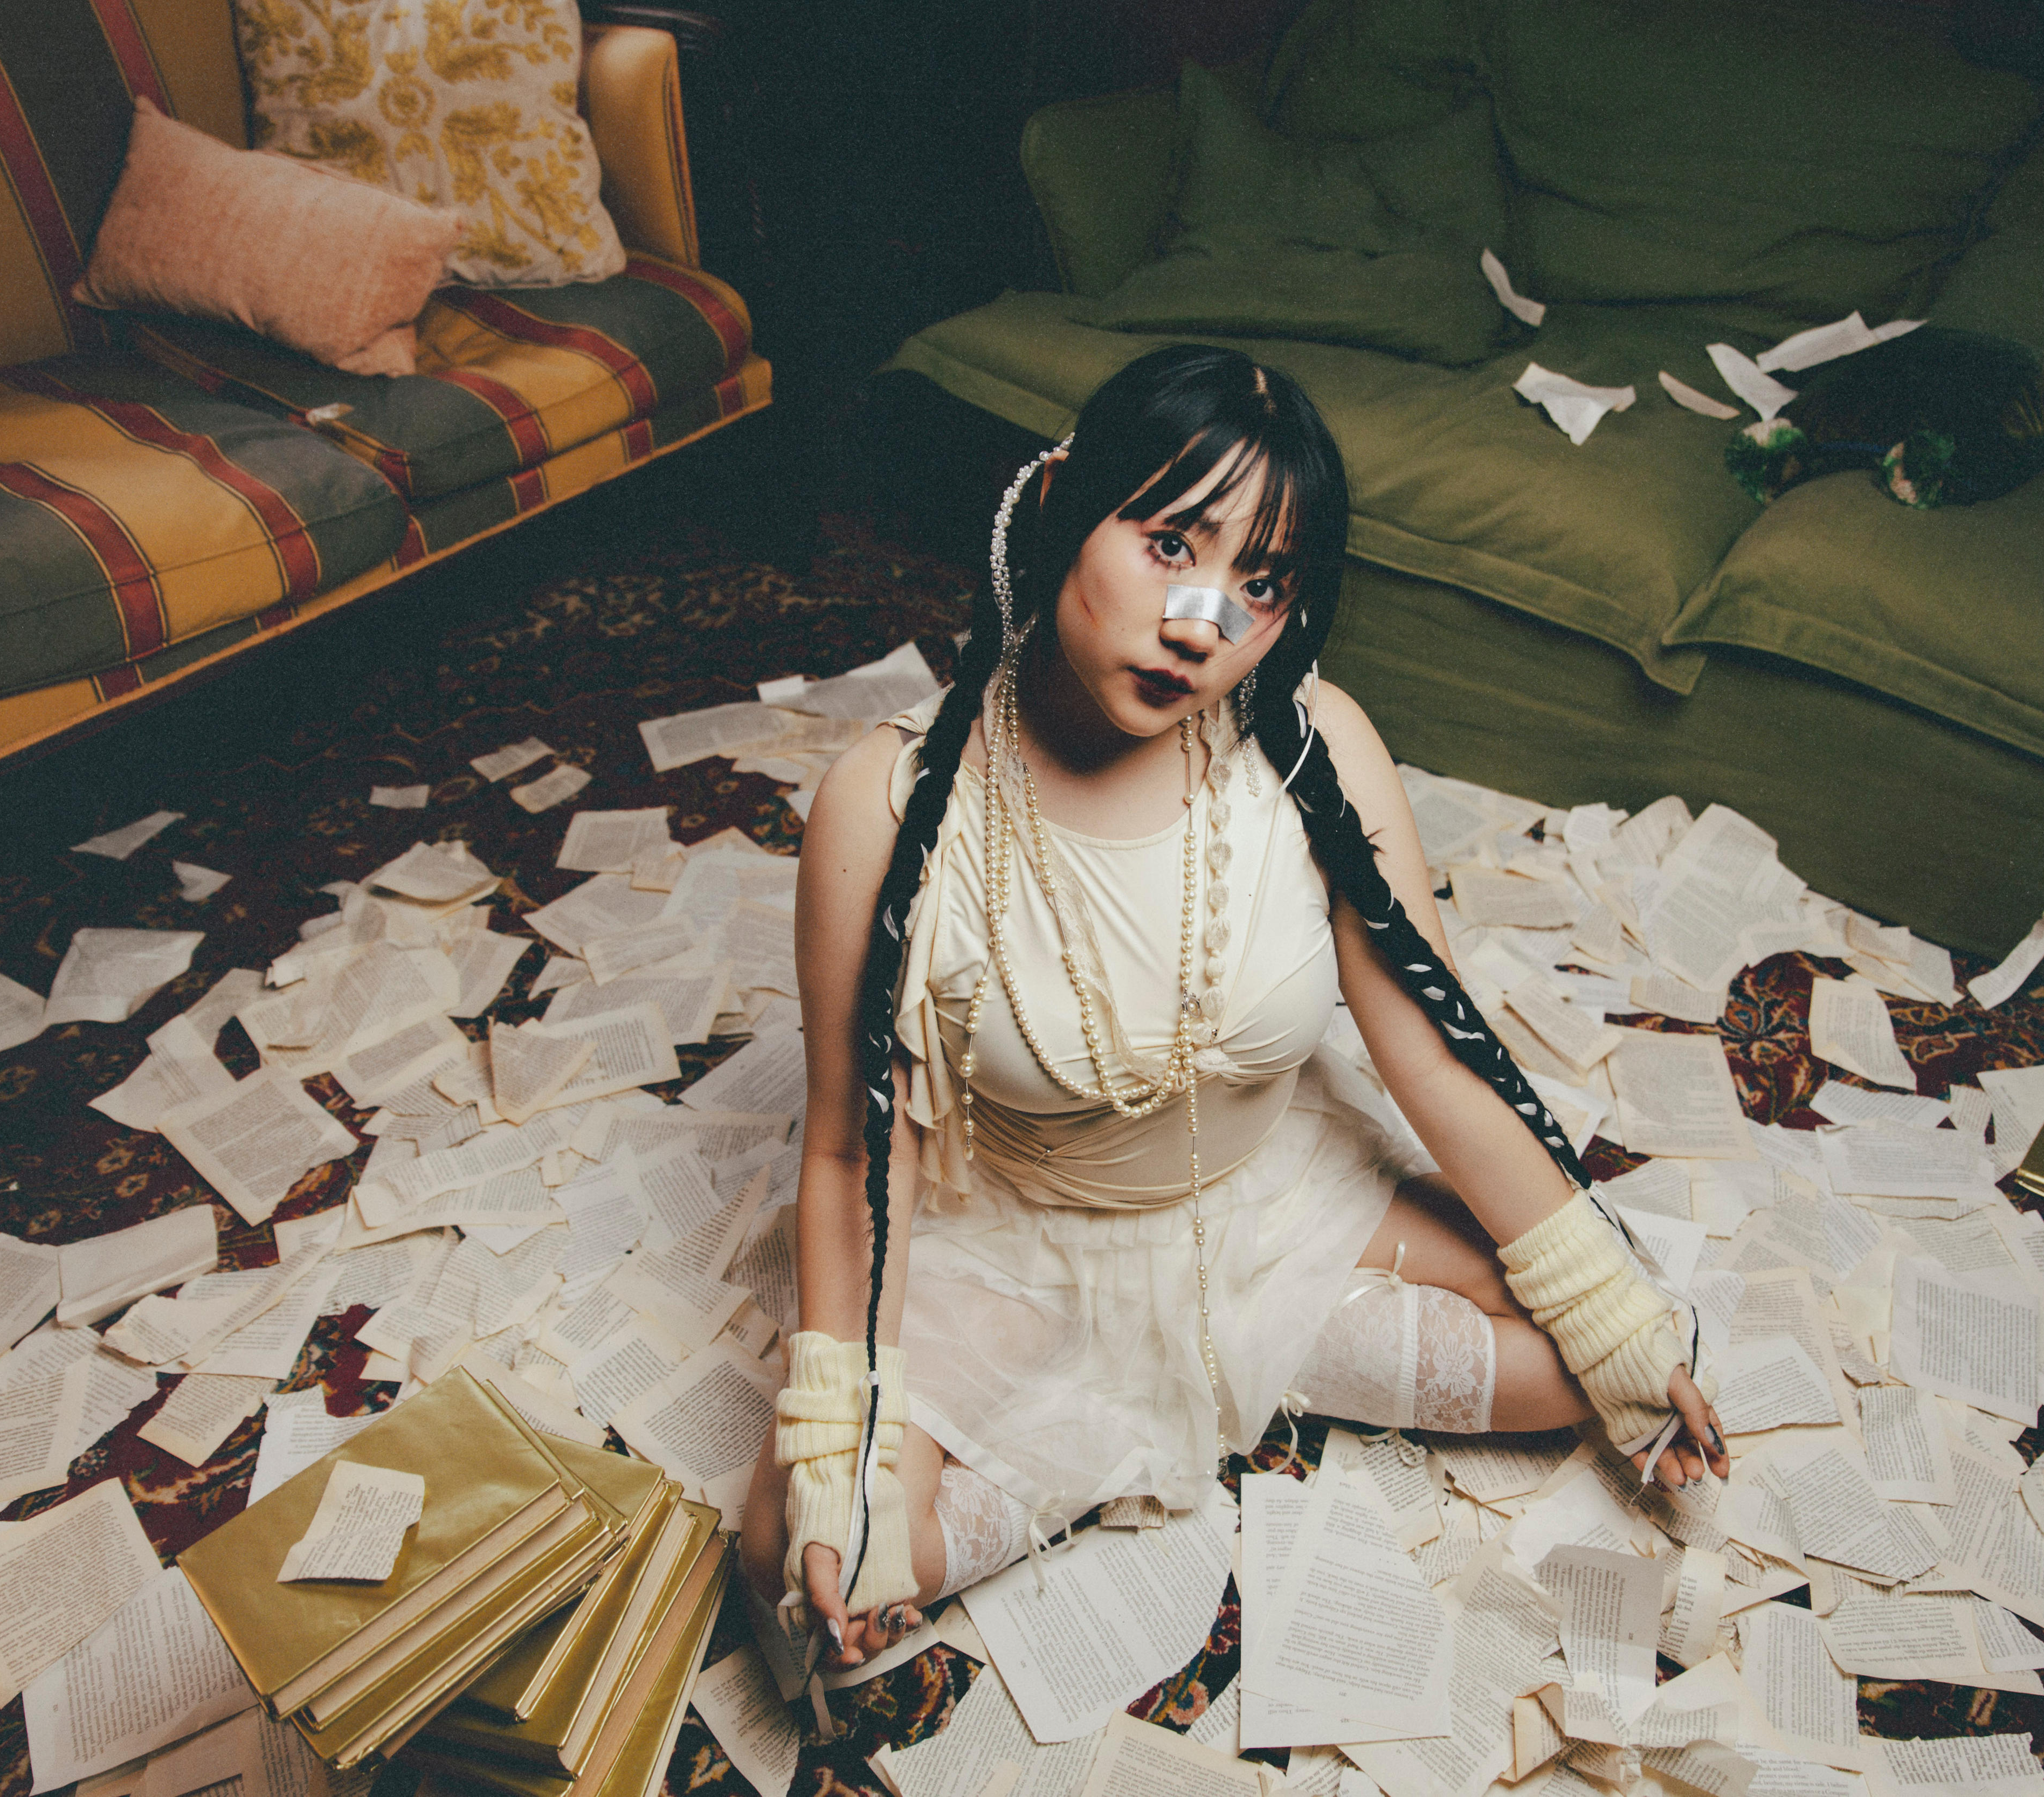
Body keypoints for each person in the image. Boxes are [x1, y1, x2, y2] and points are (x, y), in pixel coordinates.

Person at [737, 343, 1727, 1670]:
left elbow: (1438, 1058)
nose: (1200, 624)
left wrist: (1611, 1316)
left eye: (1259, 583)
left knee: (1607, 1358)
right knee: (798, 1557)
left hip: (1262, 1198)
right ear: (1057, 506)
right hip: (1018, 1234)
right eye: (1167, 545)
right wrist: (844, 1464)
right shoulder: (887, 801)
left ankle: (1188, 1384)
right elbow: (848, 1151)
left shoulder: (1315, 742)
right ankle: (1144, 1407)